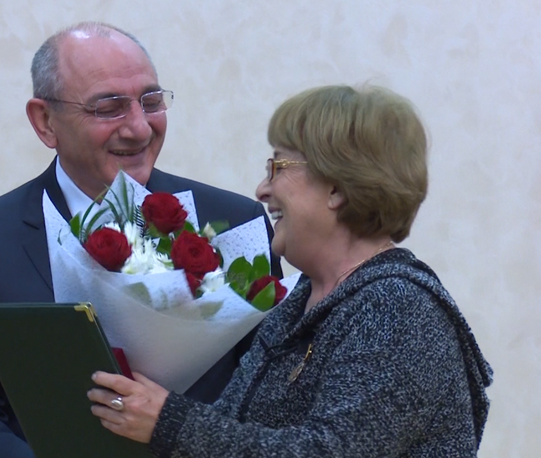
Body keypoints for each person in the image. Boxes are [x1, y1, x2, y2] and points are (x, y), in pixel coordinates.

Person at [0, 22, 279, 458]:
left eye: (150, 101)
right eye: (109, 107)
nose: (140, 129)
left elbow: (274, 398)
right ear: (45, 121)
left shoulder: (234, 223)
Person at [88, 84, 494, 457]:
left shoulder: (398, 310)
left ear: (337, 186)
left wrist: (169, 422)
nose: (262, 190)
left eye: (278, 167)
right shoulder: (299, 304)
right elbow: (230, 430)